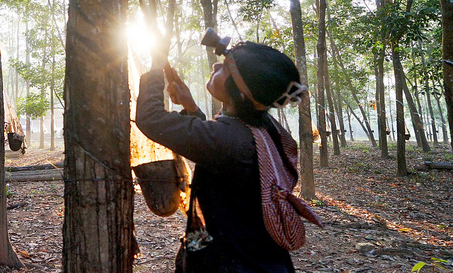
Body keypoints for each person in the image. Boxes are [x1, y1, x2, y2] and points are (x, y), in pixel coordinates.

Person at [136, 37, 321, 273]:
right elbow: (219, 150)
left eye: (224, 68)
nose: (215, 67)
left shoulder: (230, 140)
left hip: (233, 263)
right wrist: (191, 108)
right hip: (261, 258)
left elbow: (150, 118)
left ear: (242, 94)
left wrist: (155, 68)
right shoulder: (265, 128)